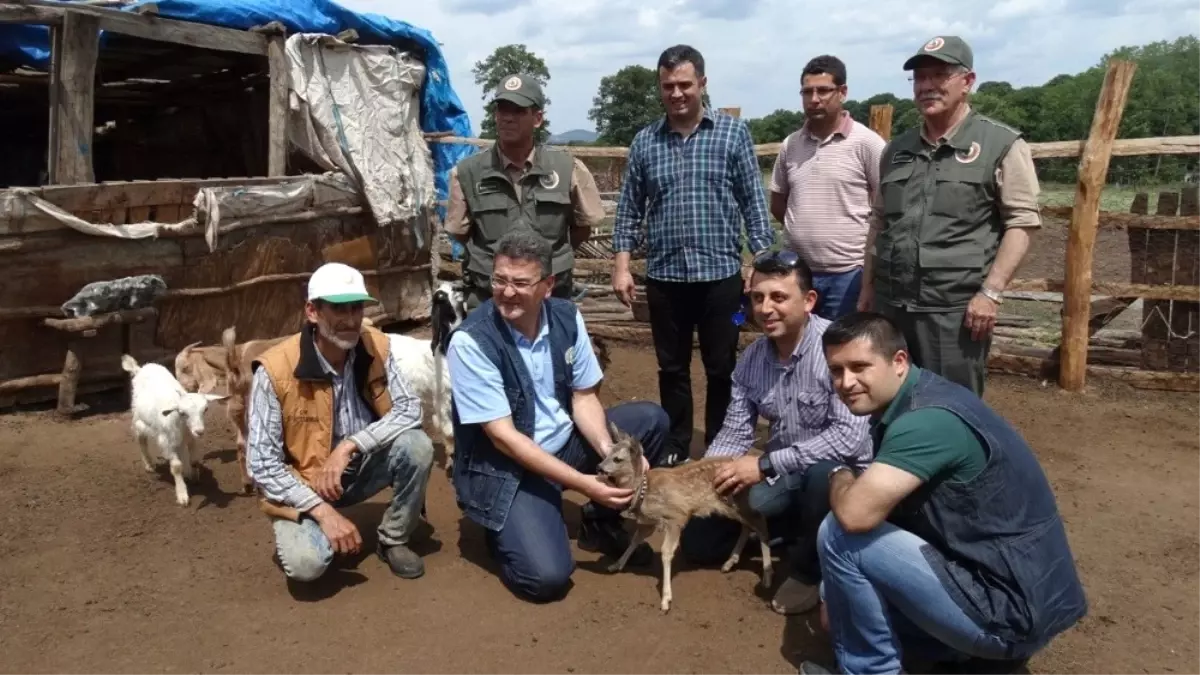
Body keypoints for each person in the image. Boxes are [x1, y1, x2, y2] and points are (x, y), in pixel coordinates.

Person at [797, 312, 1087, 675]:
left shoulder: (925, 421)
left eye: (859, 367)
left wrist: (839, 472)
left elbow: (855, 516)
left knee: (839, 535)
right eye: (836, 370)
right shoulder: (928, 393)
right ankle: (957, 656)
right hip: (1029, 593)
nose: (846, 382)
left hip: (1010, 612)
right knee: (841, 597)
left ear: (898, 361)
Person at [445, 229, 672, 602]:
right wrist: (585, 485)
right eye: (499, 280)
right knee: (546, 579)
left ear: (547, 285)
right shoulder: (472, 341)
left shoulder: (566, 317)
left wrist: (607, 452)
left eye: (520, 282)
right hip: (510, 466)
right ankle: (501, 522)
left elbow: (583, 398)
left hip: (563, 443)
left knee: (650, 421)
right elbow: (503, 437)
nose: (506, 291)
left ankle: (600, 523)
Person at [679, 250, 871, 616]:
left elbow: (850, 439)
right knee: (699, 541)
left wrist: (765, 465)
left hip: (842, 477)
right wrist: (705, 477)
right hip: (783, 472)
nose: (766, 308)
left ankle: (810, 569)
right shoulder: (753, 360)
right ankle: (791, 530)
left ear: (809, 301)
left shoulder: (836, 351)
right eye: (757, 298)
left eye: (779, 297)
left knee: (819, 476)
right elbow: (734, 433)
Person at [612, 44, 775, 464]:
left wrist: (760, 262)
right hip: (666, 278)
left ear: (702, 83)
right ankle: (676, 443)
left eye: (685, 84)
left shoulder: (732, 133)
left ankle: (722, 442)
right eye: (668, 86)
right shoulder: (646, 141)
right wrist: (622, 266)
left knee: (722, 367)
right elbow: (629, 208)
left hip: (722, 277)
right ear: (660, 88)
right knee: (672, 368)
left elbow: (752, 202)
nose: (677, 93)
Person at [857, 35, 1041, 397]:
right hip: (892, 305)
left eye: (939, 76)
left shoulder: (999, 144)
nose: (927, 86)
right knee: (891, 398)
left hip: (953, 311)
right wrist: (867, 288)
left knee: (952, 406)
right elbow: (879, 222)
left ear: (967, 82)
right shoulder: (897, 149)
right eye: (920, 78)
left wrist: (990, 293)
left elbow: (1022, 223)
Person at [245, 262, 435, 583]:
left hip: (359, 466)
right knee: (307, 565)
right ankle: (317, 527)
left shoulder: (374, 345)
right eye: (338, 309)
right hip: (306, 482)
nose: (350, 320)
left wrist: (349, 446)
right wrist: (322, 511)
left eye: (356, 308)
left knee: (417, 445)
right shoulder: (275, 370)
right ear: (312, 311)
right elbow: (262, 464)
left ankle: (393, 538)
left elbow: (410, 410)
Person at [444, 72, 607, 311]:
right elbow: (459, 233)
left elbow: (582, 227)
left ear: (538, 118)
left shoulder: (567, 168)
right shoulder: (467, 173)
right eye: (502, 110)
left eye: (518, 111)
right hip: (490, 299)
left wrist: (546, 262)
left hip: (551, 297)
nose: (508, 118)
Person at [769, 55, 886, 321]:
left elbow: (886, 207)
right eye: (807, 91)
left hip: (849, 275)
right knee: (798, 349)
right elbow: (779, 203)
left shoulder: (867, 143)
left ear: (842, 92)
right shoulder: (792, 145)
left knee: (841, 351)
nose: (814, 99)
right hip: (799, 273)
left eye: (823, 90)